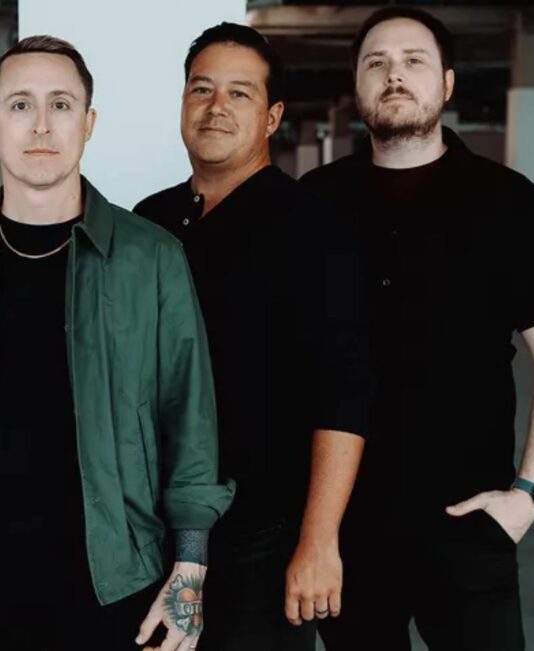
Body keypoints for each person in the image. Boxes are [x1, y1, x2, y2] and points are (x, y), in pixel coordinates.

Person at [0, 35, 234, 651]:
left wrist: (189, 570)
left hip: (117, 584)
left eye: (61, 104)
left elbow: (189, 415)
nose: (40, 124)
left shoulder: (152, 258)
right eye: (19, 105)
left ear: (88, 123)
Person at [303, 8, 534, 650]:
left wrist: (528, 494)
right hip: (345, 526)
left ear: (448, 83)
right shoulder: (314, 202)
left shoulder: (509, 203)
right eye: (376, 63)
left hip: (468, 520)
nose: (394, 75)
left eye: (413, 61)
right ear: (357, 85)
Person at [134, 23, 372, 651]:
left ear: (272, 117)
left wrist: (318, 541)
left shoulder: (311, 227)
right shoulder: (150, 222)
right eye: (201, 89)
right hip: (151, 527)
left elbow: (344, 392)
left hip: (262, 536)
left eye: (239, 93)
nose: (216, 107)